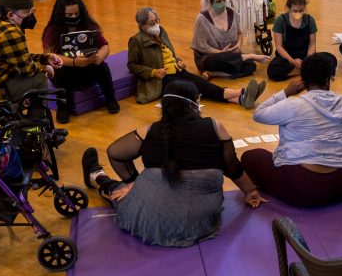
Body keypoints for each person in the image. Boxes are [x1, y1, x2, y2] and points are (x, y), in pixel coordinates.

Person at [80, 80, 267, 247]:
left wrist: (134, 183)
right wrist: (250, 191)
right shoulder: (215, 126)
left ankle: (96, 176)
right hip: (200, 224)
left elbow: (115, 153)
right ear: (196, 101)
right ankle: (99, 177)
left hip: (150, 222)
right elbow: (231, 166)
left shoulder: (149, 130)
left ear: (164, 105)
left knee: (119, 191)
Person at [242, 53, 342, 207]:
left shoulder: (293, 105)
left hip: (306, 188)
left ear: (303, 82)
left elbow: (258, 114)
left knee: (250, 157)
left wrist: (285, 93)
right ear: (328, 80)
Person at [128, 7, 266, 109]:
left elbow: (166, 54)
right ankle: (242, 92)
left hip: (176, 70)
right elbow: (132, 65)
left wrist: (178, 60)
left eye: (156, 20)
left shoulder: (161, 32)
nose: (156, 24)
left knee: (201, 83)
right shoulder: (136, 41)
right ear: (142, 25)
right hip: (161, 79)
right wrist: (153, 72)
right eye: (152, 23)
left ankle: (240, 99)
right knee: (194, 87)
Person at [41, 0, 119, 123]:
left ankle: (111, 99)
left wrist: (99, 57)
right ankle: (63, 108)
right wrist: (74, 62)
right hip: (65, 74)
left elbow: (105, 45)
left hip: (86, 71)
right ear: (61, 14)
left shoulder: (89, 25)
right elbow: (51, 56)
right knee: (60, 70)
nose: (73, 17)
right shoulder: (52, 30)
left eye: (76, 14)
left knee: (103, 67)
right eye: (69, 15)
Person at [191, 0, 270, 79]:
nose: (223, 3)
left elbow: (240, 34)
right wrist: (221, 53)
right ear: (210, 2)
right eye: (219, 1)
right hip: (211, 57)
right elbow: (200, 47)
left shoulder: (232, 13)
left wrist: (239, 45)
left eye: (224, 0)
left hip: (231, 56)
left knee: (251, 66)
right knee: (226, 59)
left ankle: (212, 73)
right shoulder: (202, 19)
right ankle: (249, 56)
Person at [267, 0, 318, 81]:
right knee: (273, 69)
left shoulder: (310, 20)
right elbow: (279, 47)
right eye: (295, 11)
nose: (298, 13)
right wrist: (292, 61)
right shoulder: (280, 20)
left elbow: (312, 44)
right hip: (287, 58)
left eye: (301, 10)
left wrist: (307, 60)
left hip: (305, 56)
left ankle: (301, 70)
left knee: (330, 60)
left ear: (304, 8)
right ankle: (304, 72)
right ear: (289, 8)